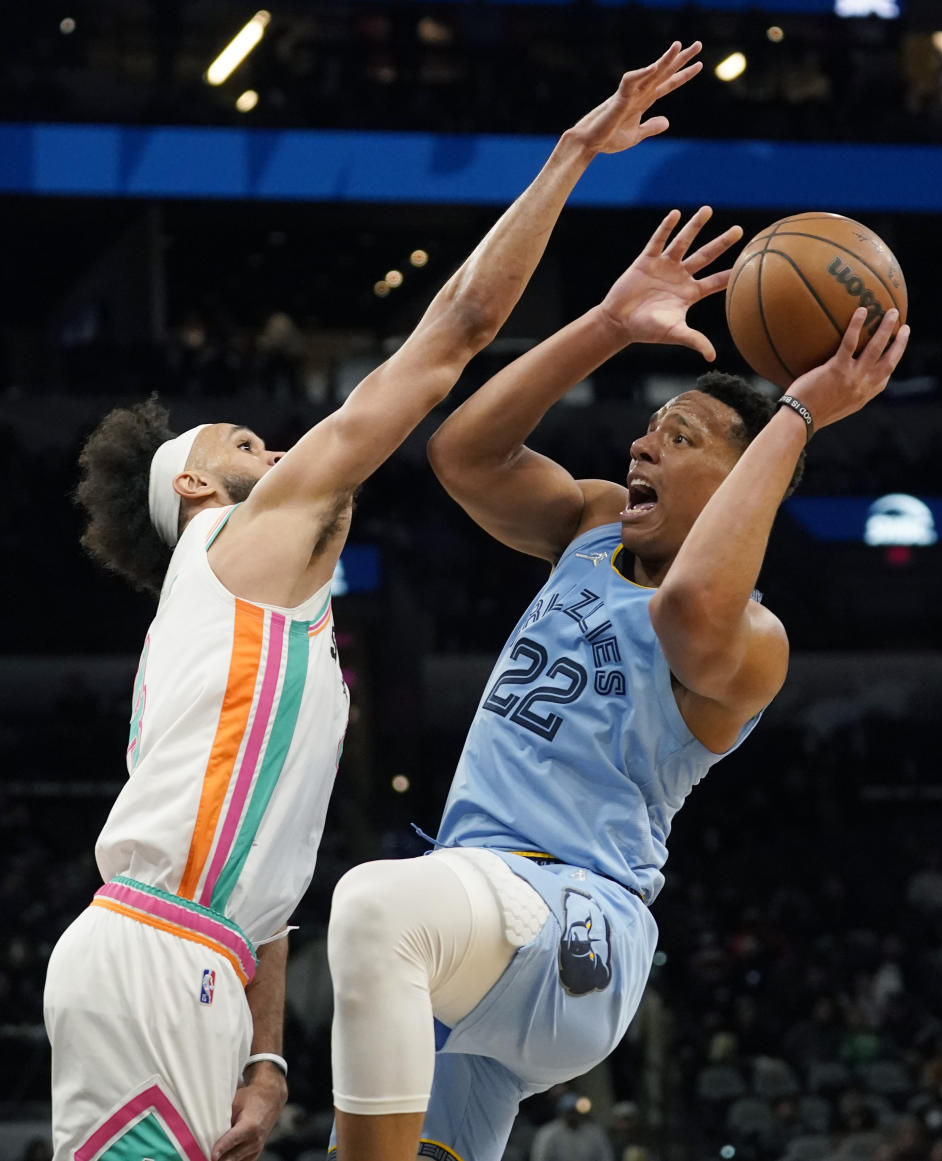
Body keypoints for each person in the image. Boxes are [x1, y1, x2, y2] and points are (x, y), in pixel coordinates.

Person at [42, 41, 704, 1161]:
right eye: (252, 442)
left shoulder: (247, 624)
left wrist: (264, 1055)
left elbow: (265, 871)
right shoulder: (241, 537)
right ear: (199, 489)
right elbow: (450, 339)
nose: (288, 446)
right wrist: (571, 156)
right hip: (151, 958)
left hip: (200, 961)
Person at [324, 205, 910, 1157]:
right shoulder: (593, 527)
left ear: (741, 479)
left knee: (371, 907)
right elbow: (463, 455)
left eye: (678, 438)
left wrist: (797, 414)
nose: (639, 448)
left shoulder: (755, 640)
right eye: (647, 431)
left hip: (574, 926)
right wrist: (608, 322)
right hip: (477, 918)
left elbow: (688, 609)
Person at [530, 1093, 614, 1161]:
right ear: (562, 1113)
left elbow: (605, 1156)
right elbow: (540, 1158)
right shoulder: (548, 1133)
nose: (573, 1115)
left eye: (575, 1112)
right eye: (570, 1112)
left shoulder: (594, 1131)